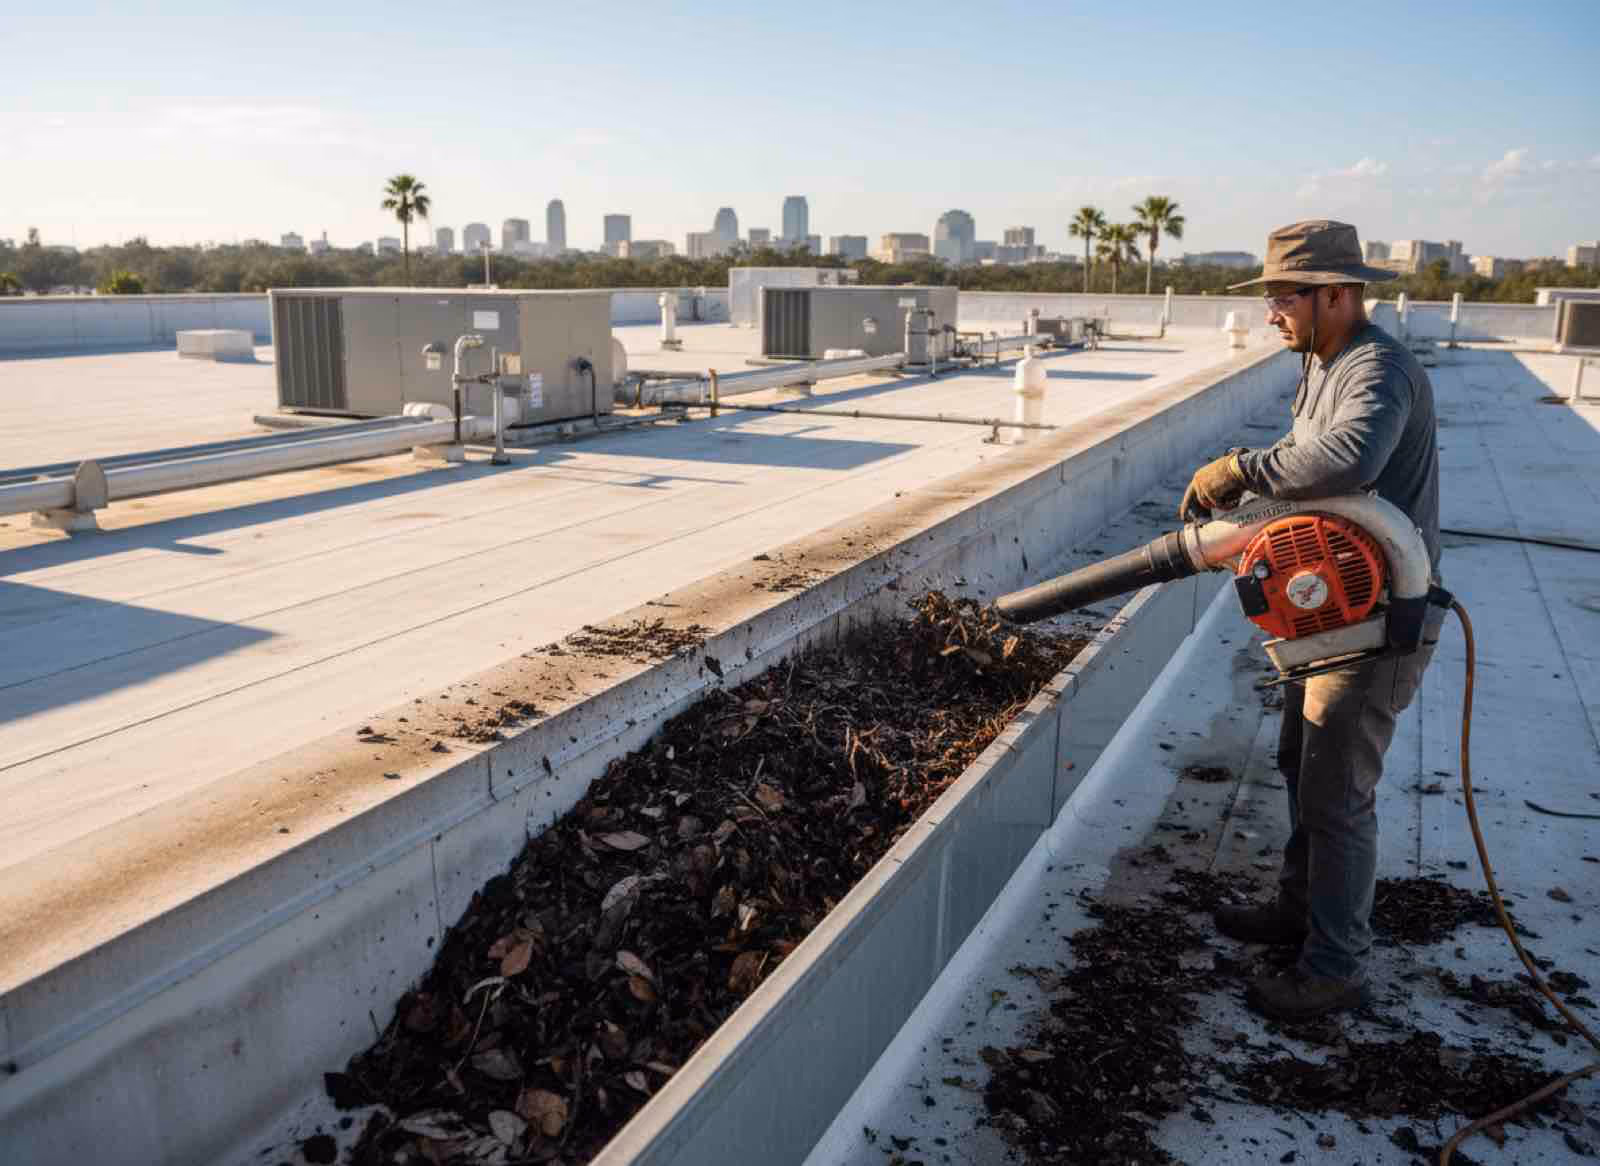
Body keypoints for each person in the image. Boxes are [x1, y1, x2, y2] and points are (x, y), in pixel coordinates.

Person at [1179, 220, 1443, 1022]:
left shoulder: (1377, 370)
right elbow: (1307, 469)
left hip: (1379, 622)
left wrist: (1237, 470)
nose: (1271, 313)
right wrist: (1249, 500)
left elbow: (1345, 462)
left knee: (1337, 797)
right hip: (1333, 615)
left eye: (1282, 296)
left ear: (1336, 293)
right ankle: (1300, 913)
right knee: (1304, 769)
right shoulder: (1323, 365)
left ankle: (1334, 969)